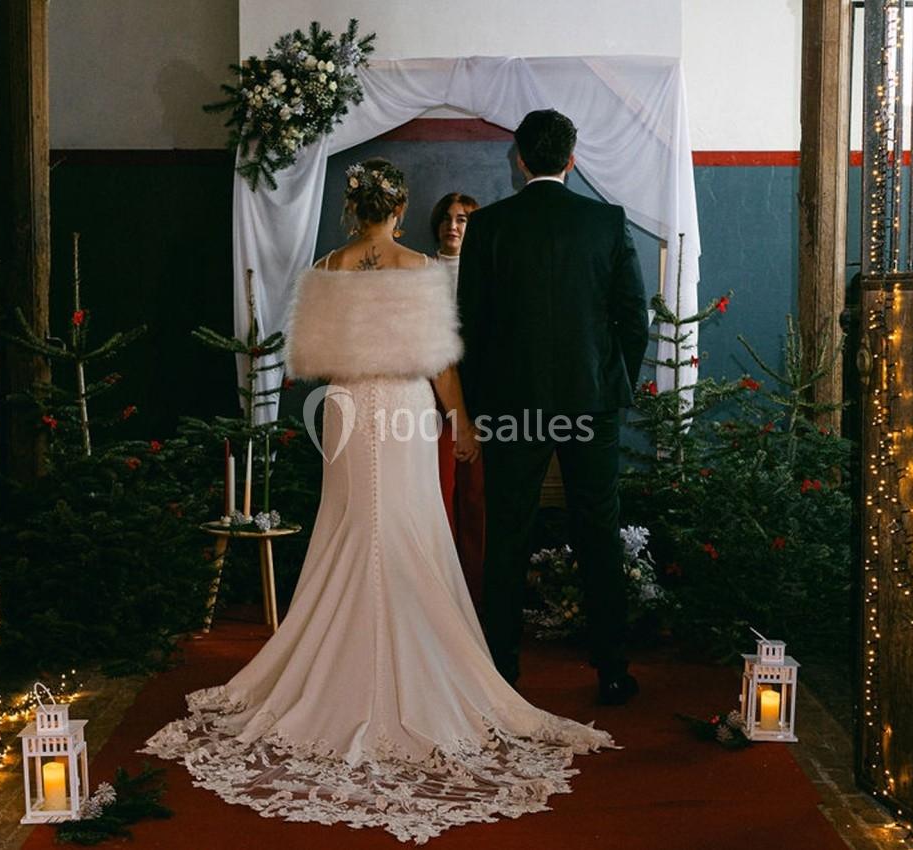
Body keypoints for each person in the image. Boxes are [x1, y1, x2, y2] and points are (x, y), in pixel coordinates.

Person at [141, 158, 613, 845]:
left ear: (351, 207)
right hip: (402, 409)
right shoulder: (419, 269)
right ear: (399, 208)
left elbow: (305, 358)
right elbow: (441, 362)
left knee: (351, 529)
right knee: (407, 529)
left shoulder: (326, 268)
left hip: (346, 410)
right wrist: (461, 421)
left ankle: (335, 665)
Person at [457, 110, 649, 706]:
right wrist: (615, 386)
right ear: (572, 158)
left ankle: (501, 672)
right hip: (591, 404)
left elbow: (471, 326)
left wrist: (483, 406)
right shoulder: (607, 222)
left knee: (508, 533)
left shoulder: (488, 227)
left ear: (519, 159)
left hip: (512, 406)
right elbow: (633, 322)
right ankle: (612, 671)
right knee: (598, 530)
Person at [429, 192, 487, 608]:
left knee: (476, 500)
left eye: (463, 219)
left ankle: (476, 596)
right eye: (448, 218)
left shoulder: (489, 274)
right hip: (430, 404)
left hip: (481, 403)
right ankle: (441, 597)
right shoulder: (421, 272)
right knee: (438, 495)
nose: (453, 225)